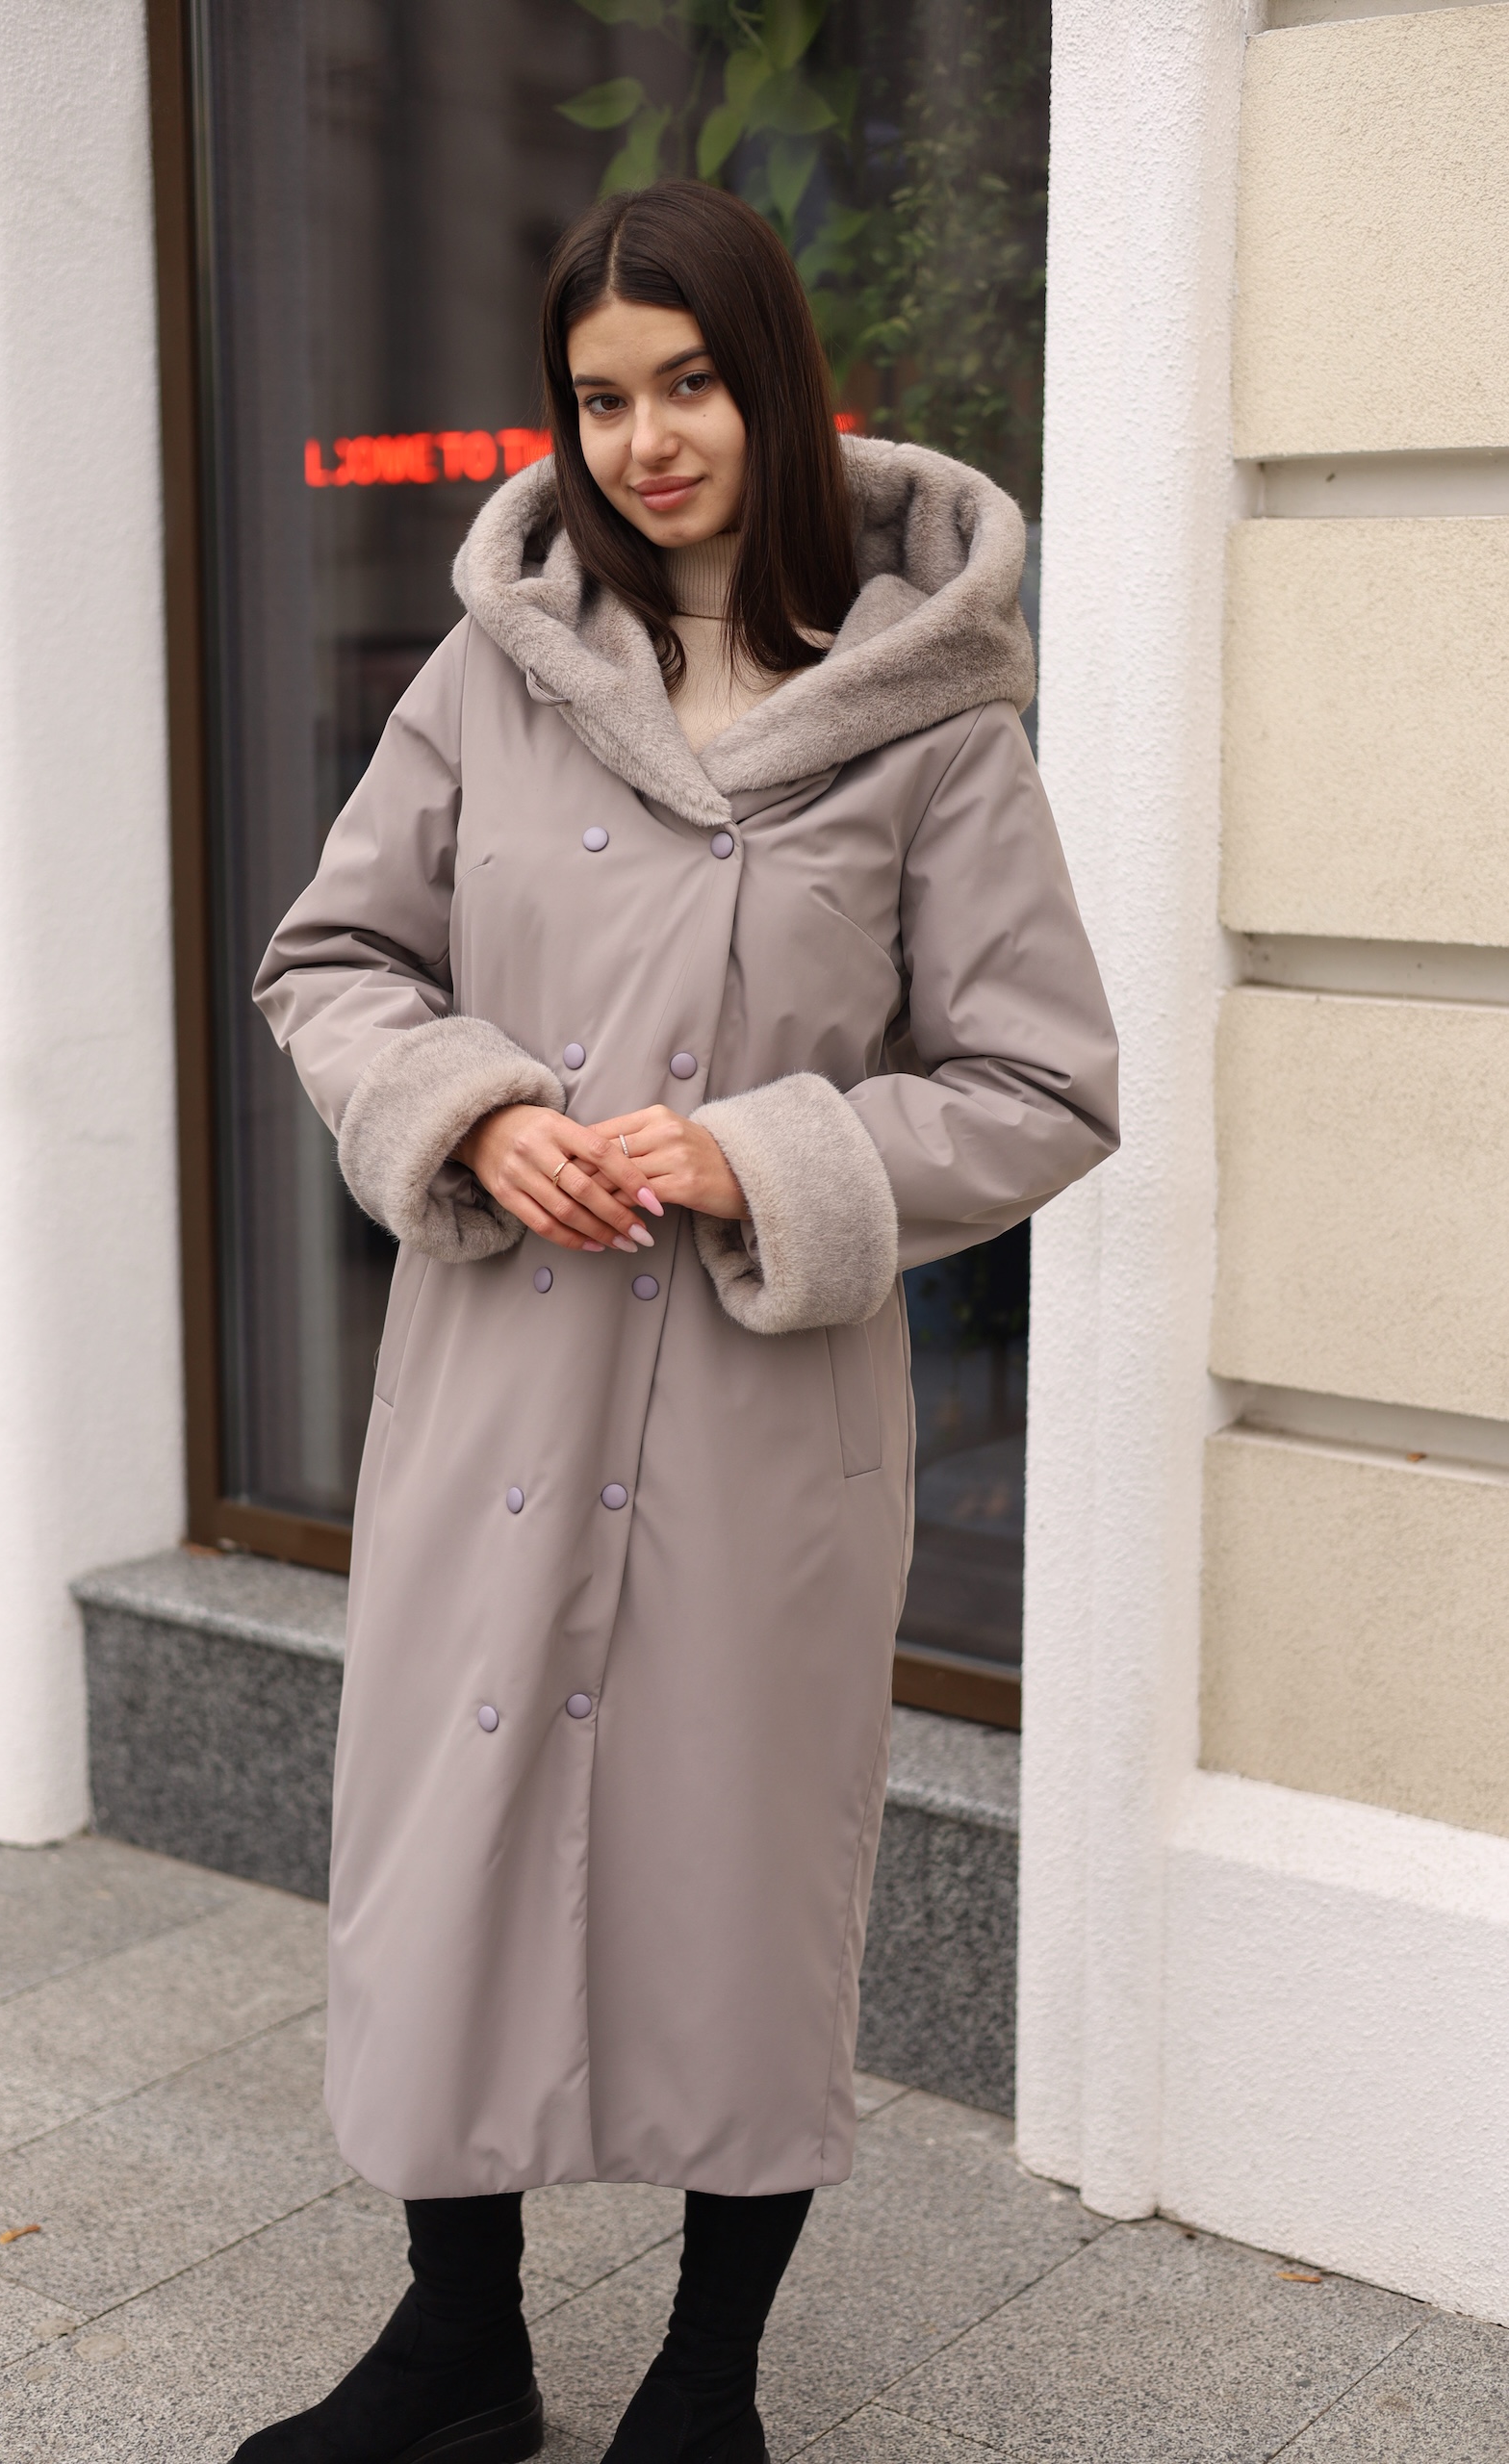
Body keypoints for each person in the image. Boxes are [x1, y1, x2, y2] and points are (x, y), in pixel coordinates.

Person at [239, 180, 1117, 2464]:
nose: (646, 441)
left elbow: (1043, 1083)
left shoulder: (929, 725)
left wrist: (767, 1155)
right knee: (446, 1845)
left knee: (742, 1871)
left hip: (758, 1412)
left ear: (779, 384)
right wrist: (468, 1105)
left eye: (693, 383)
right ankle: (459, 2346)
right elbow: (333, 962)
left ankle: (705, 2382)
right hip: (499, 1375)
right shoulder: (490, 672)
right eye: (602, 397)